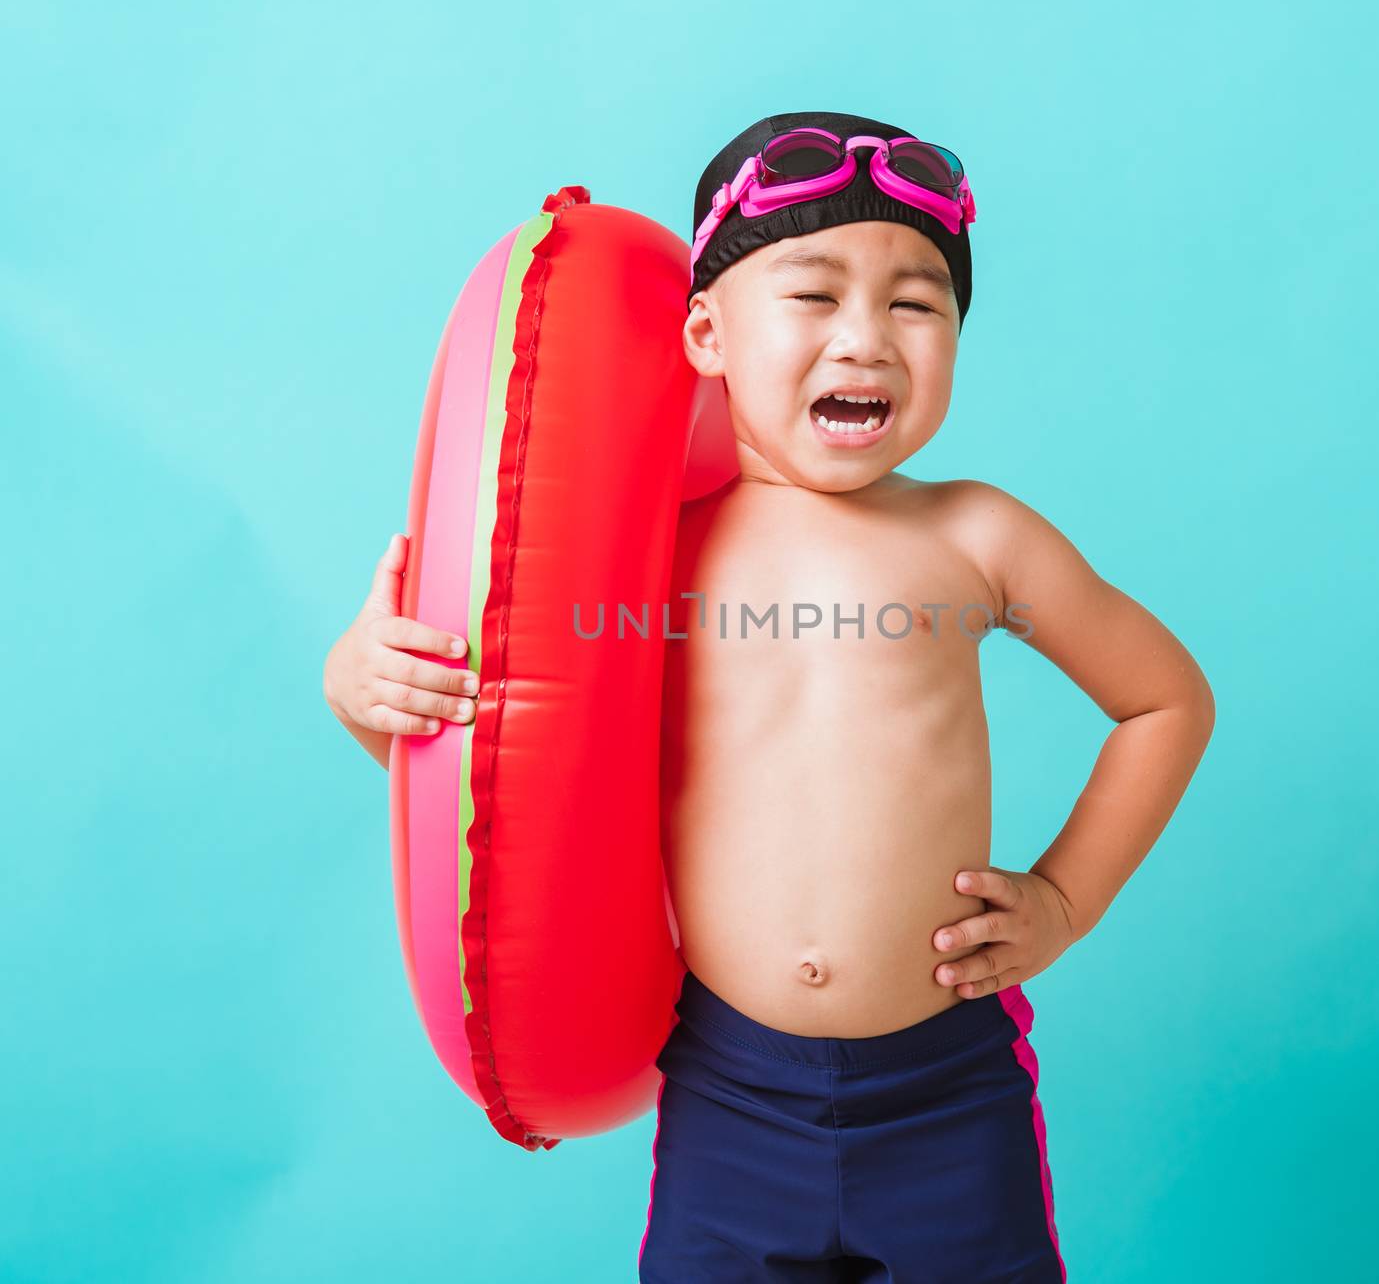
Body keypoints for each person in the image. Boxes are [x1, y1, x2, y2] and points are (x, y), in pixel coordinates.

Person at [323, 109, 1215, 1282]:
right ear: (706, 331)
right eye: (813, 296)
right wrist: (362, 687)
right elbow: (513, 781)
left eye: (915, 304)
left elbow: (1163, 701)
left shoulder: (975, 536)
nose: (867, 340)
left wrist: (1061, 898)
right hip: (729, 1083)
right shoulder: (652, 555)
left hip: (944, 1084)